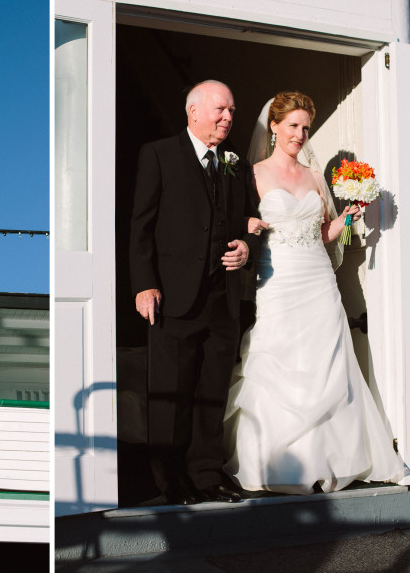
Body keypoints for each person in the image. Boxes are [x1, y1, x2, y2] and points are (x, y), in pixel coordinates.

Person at [223, 91, 403, 495]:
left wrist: (346, 217)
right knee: (278, 357)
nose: (301, 135)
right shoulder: (251, 174)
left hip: (318, 278)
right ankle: (276, 461)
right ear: (273, 126)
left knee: (330, 361)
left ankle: (336, 457)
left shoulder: (312, 175)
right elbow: (239, 226)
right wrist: (248, 227)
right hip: (278, 280)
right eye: (293, 126)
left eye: (306, 128)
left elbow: (323, 235)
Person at [129, 80, 261, 505]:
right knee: (172, 391)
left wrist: (246, 245)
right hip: (172, 296)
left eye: (232, 111)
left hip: (222, 299)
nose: (228, 118)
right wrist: (144, 283)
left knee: (211, 392)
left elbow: (250, 221)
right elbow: (140, 225)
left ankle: (205, 475)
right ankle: (168, 482)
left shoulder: (236, 165)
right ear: (194, 111)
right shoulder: (159, 154)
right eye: (221, 109)